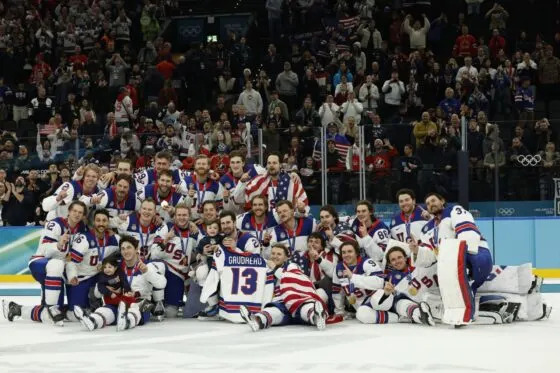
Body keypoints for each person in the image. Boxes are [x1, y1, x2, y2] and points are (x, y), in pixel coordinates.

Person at [410, 193, 493, 324]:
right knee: (462, 291)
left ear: (442, 201)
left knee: (459, 281)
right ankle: (484, 312)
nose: (431, 204)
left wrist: (458, 257)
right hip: (453, 263)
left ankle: (466, 311)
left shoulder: (454, 211)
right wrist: (416, 251)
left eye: (433, 201)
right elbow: (430, 256)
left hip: (476, 255)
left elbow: (467, 232)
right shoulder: (426, 229)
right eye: (428, 203)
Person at [6, 201, 89, 325]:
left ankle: (17, 309)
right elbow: (44, 249)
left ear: (83, 216)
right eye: (74, 211)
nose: (77, 214)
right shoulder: (56, 224)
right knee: (56, 264)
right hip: (40, 261)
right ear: (69, 211)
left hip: (59, 269)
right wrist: (58, 244)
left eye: (80, 212)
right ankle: (51, 308)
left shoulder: (82, 228)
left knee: (55, 314)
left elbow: (72, 256)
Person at [74, 235, 167, 331]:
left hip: (139, 303)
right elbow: (97, 293)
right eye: (123, 249)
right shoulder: (113, 268)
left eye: (129, 248)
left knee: (134, 311)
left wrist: (147, 271)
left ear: (136, 249)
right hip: (117, 302)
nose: (125, 251)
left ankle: (127, 321)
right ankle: (93, 321)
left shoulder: (147, 265)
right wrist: (106, 289)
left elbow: (162, 283)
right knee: (105, 311)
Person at [239, 244, 327, 331]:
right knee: (273, 312)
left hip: (297, 300)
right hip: (280, 303)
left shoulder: (291, 266)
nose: (275, 256)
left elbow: (290, 278)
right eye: (273, 253)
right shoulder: (265, 269)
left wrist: (274, 268)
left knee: (306, 308)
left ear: (286, 258)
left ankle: (317, 317)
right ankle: (257, 320)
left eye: (279, 254)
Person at [65, 209, 120, 311]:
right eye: (98, 220)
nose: (101, 223)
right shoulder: (84, 238)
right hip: (82, 279)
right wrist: (72, 276)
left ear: (108, 222)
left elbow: (128, 252)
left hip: (100, 278)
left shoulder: (114, 239)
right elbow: (71, 261)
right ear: (93, 222)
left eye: (104, 221)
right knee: (76, 312)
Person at [365, 246, 435, 326]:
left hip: (432, 299)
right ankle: (421, 315)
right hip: (413, 305)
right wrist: (387, 294)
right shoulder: (390, 278)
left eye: (399, 257)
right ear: (390, 264)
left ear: (405, 258)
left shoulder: (419, 266)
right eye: (393, 260)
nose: (397, 261)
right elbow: (385, 302)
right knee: (398, 302)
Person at [150, 203, 198, 318]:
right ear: (174, 216)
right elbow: (153, 254)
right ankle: (153, 303)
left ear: (189, 216)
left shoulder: (195, 232)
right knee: (156, 266)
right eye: (179, 215)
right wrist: (166, 240)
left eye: (185, 215)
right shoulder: (165, 228)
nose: (182, 218)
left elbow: (200, 252)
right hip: (166, 269)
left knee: (171, 313)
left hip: (179, 275)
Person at [332, 241, 389, 323]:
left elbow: (380, 282)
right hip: (362, 307)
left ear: (356, 253)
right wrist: (340, 311)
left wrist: (353, 277)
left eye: (350, 251)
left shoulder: (367, 262)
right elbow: (337, 292)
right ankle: (394, 317)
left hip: (378, 300)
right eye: (343, 252)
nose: (346, 255)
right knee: (361, 315)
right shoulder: (339, 268)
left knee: (378, 301)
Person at [220, 150, 266, 215]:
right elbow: (228, 209)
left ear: (243, 163)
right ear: (229, 164)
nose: (235, 165)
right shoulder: (224, 180)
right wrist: (226, 199)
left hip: (259, 210)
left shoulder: (256, 169)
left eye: (238, 162)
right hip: (240, 214)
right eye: (232, 162)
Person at [179, 155, 224, 220]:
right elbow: (180, 207)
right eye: (199, 164)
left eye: (204, 164)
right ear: (194, 166)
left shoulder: (216, 185)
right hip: (188, 222)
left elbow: (220, 209)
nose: (201, 166)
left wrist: (206, 220)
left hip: (208, 223)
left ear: (208, 166)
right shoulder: (185, 182)